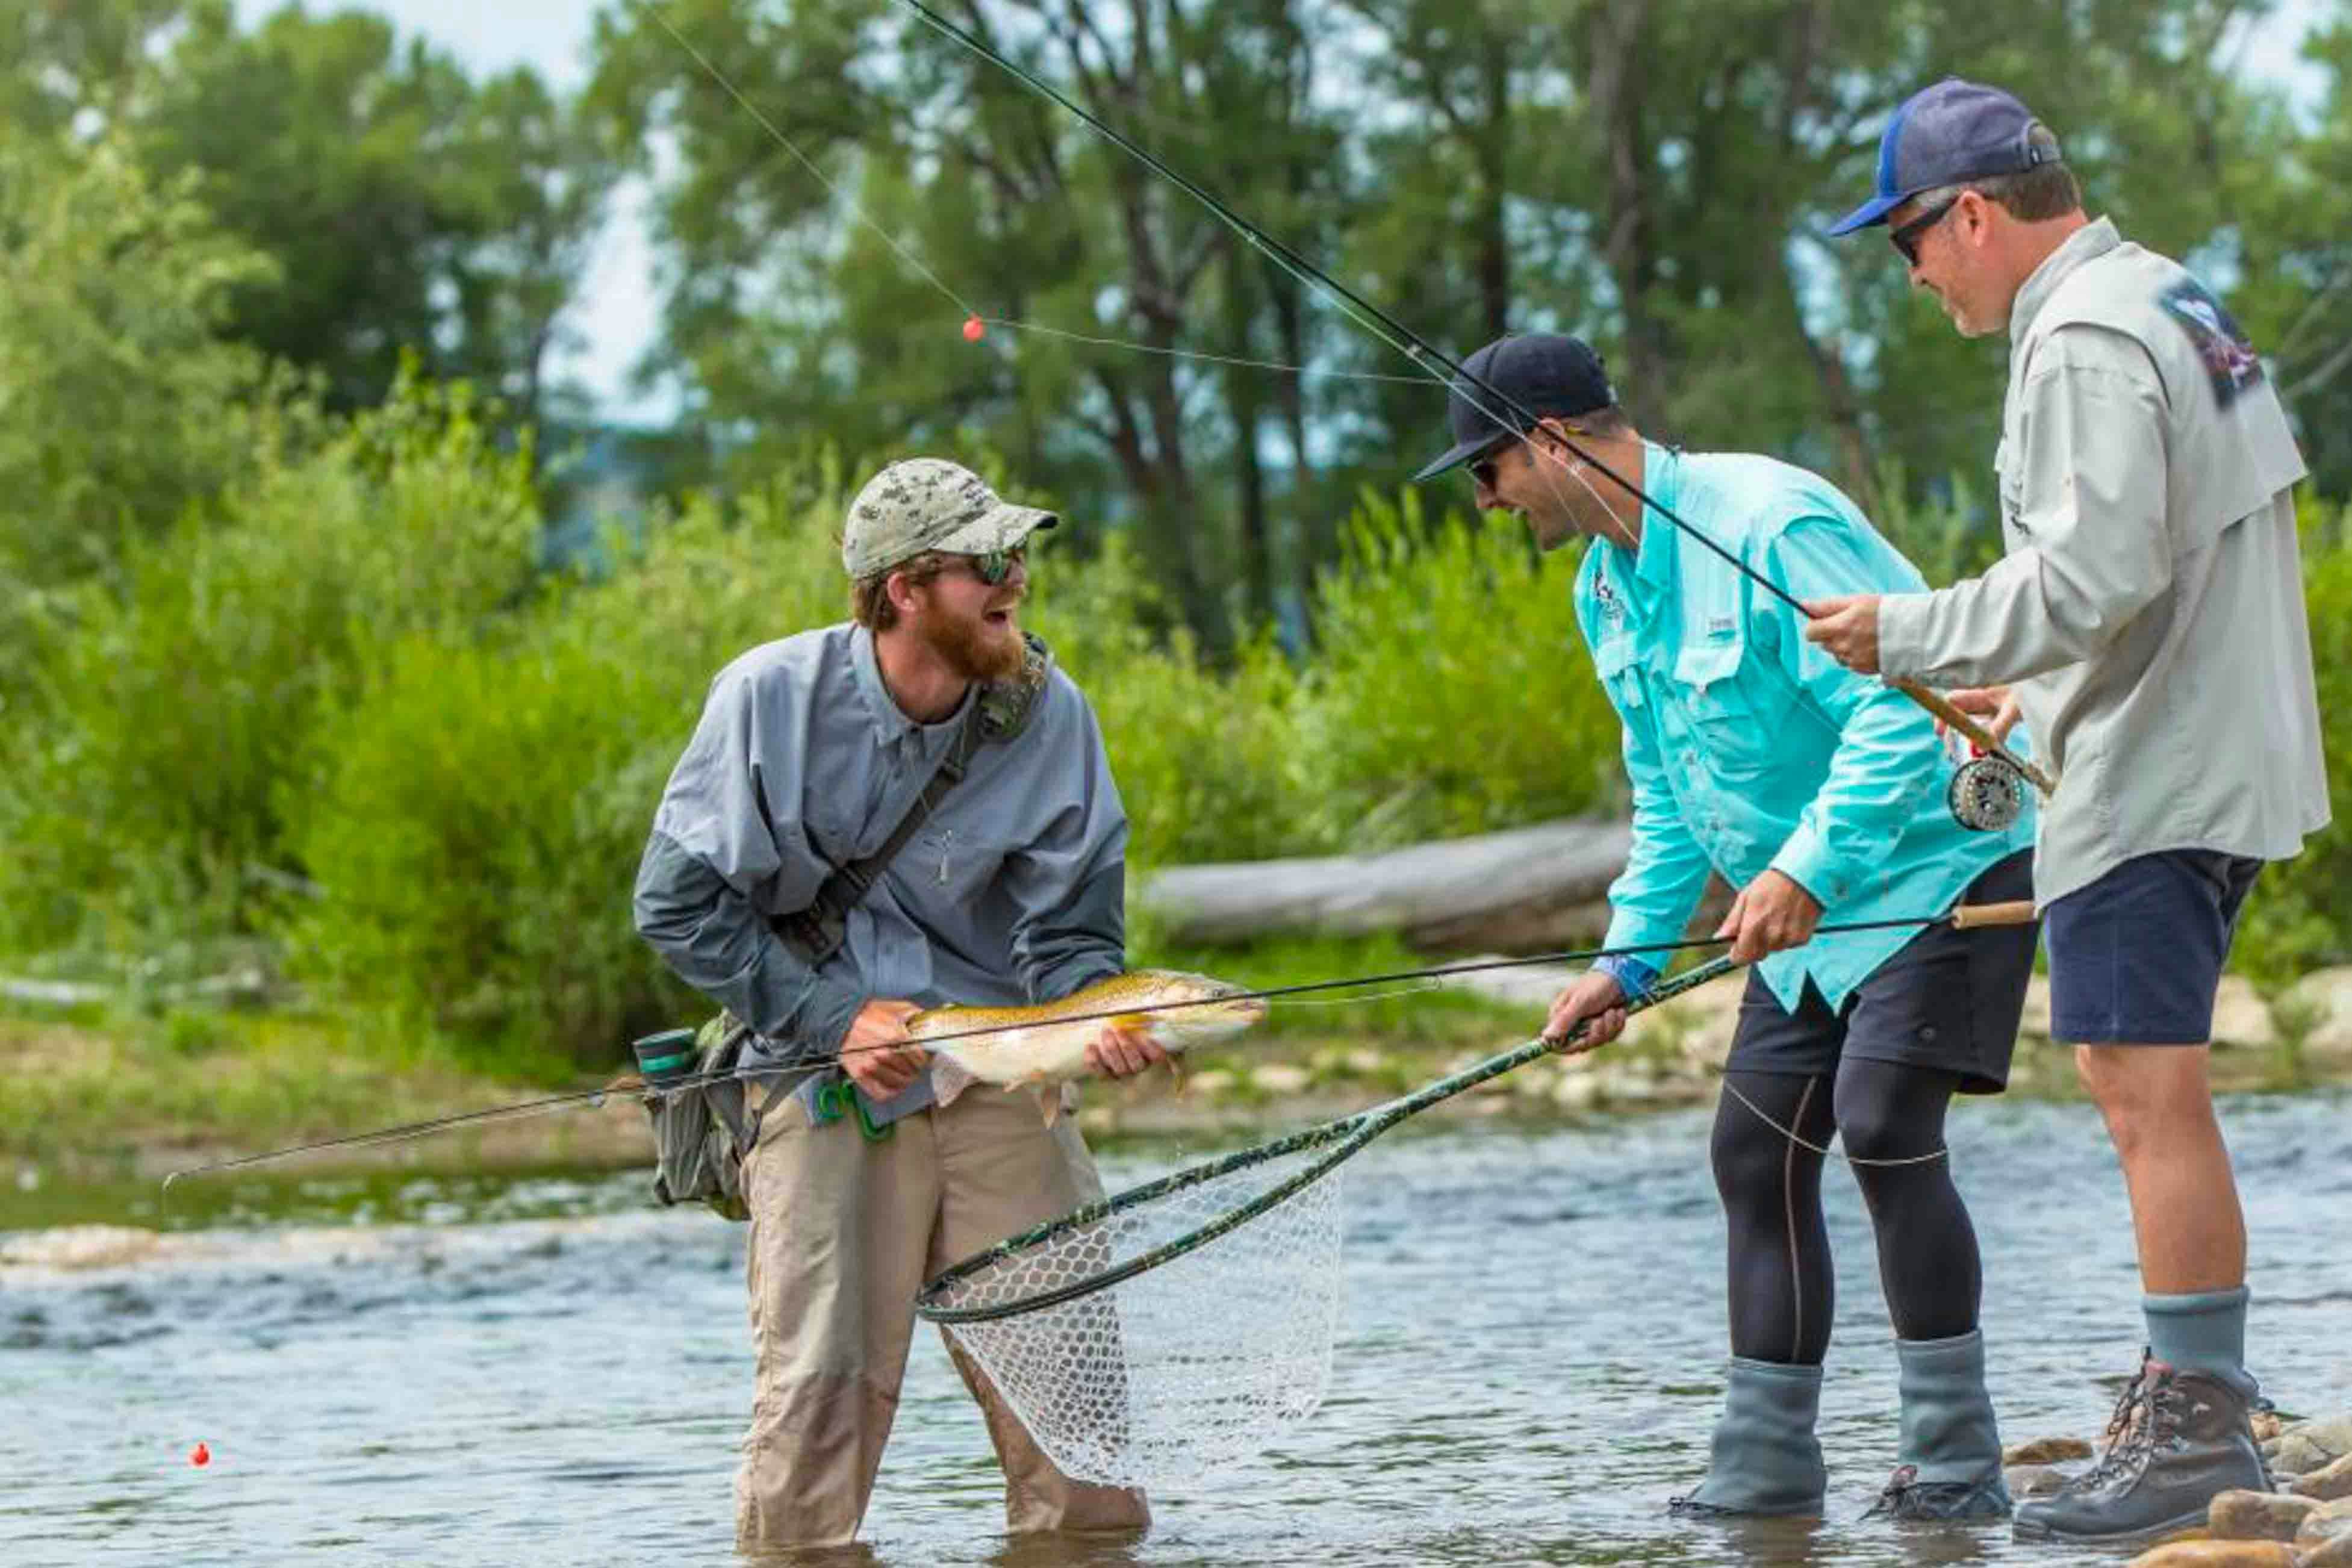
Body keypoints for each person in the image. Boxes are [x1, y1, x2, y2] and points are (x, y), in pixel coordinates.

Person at [1808, 78, 2330, 1546]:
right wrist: (2022, 702)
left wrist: (1912, 637)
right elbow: (2159, 565)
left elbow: (2093, 576)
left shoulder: (2087, 338)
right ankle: (2196, 1389)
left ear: (1970, 215)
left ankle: (2195, 1423)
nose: (1910, 276)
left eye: (1906, 242)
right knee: (2141, 1076)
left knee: (2136, 1080)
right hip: (2197, 745)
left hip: (2160, 773)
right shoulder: (2169, 298)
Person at [1414, 332, 2040, 1522]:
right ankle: (1765, 1477)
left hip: (1941, 861)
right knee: (1752, 1156)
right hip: (1813, 911)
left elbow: (1902, 716)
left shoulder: (1767, 521)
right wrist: (1627, 960)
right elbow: (1669, 794)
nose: (1486, 501)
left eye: (1485, 474)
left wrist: (1805, 868)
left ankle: (1956, 1472)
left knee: (1880, 1122)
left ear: (1546, 444)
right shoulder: (1602, 587)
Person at [633, 457, 1162, 1554]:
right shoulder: (766, 699)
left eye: (1017, 557)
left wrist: (1090, 1021)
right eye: (985, 565)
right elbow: (676, 906)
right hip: (821, 1088)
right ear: (905, 589)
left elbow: (1068, 937)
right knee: (818, 1416)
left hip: (997, 1086)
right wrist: (834, 1022)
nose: (1015, 578)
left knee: (1079, 1429)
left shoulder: (1051, 717)